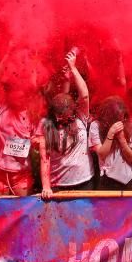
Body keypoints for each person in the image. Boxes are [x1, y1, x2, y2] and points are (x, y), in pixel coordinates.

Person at [38, 50, 93, 199]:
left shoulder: (80, 116)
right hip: (59, 186)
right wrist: (46, 186)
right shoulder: (47, 125)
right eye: (57, 116)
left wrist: (73, 69)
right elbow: (45, 158)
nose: (59, 119)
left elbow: (85, 95)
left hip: (84, 182)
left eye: (63, 116)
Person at [0, 80, 36, 196]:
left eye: (22, 97)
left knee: (23, 210)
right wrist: (5, 61)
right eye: (16, 97)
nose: (19, 100)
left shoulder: (33, 114)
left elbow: (37, 141)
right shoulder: (0, 108)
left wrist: (35, 142)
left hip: (21, 174)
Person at [89, 96, 132, 190]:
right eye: (117, 119)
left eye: (122, 118)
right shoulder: (96, 125)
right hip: (107, 181)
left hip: (128, 179)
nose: (121, 122)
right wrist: (110, 134)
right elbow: (102, 154)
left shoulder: (131, 124)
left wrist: (122, 139)